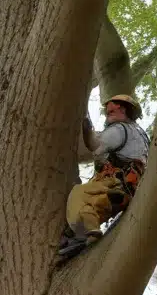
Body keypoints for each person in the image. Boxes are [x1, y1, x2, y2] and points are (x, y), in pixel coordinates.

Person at [58, 94, 150, 261]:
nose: (107, 113)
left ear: (122, 108)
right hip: (128, 188)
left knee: (79, 195)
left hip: (113, 181)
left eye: (111, 110)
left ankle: (82, 234)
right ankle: (85, 232)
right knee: (95, 206)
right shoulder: (141, 136)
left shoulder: (119, 130)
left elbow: (95, 144)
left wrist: (86, 127)